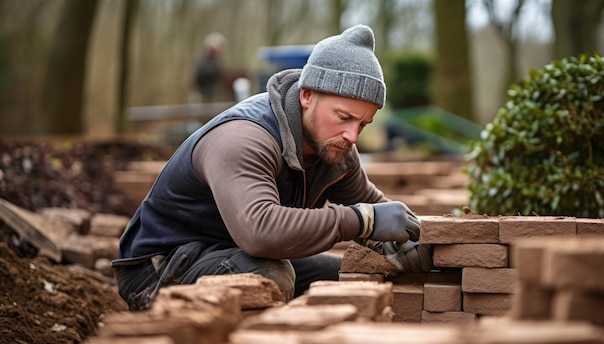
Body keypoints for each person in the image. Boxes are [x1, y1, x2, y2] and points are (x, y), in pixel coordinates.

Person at [112, 25, 432, 311]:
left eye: (363, 123)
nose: (353, 135)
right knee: (269, 277)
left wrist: (411, 243)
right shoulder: (244, 139)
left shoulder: (335, 145)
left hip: (232, 252)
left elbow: (375, 208)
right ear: (307, 95)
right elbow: (260, 232)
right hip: (160, 270)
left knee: (350, 277)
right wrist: (362, 221)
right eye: (344, 117)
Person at [193, 32, 227, 102]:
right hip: (204, 93)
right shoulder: (202, 61)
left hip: (217, 94)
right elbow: (201, 75)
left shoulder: (219, 61)